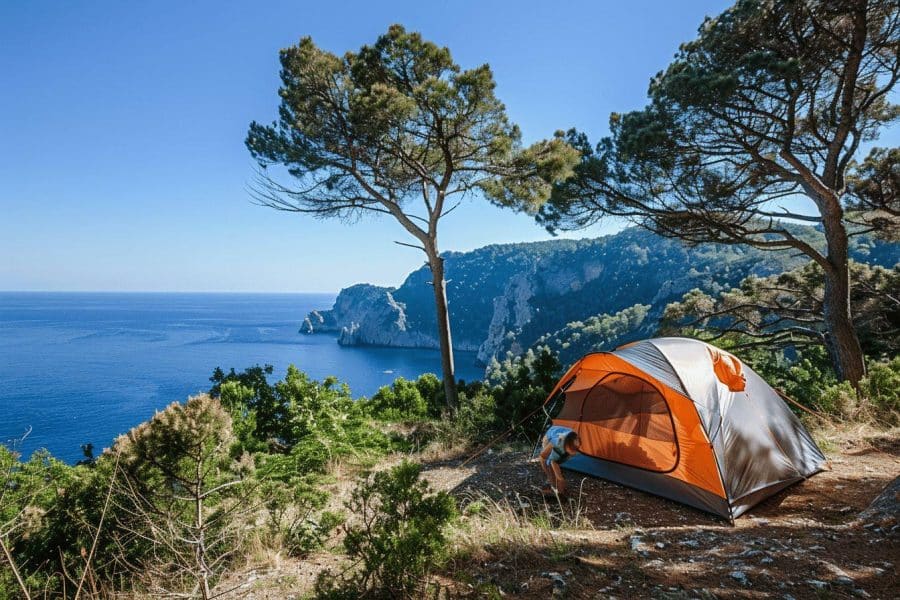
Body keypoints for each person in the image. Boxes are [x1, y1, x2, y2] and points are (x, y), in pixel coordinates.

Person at [538, 425, 581, 496]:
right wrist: (556, 477)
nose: (575, 452)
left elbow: (557, 461)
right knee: (546, 461)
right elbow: (544, 457)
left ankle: (558, 487)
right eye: (572, 449)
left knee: (557, 462)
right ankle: (552, 484)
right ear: (566, 445)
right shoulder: (557, 441)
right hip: (549, 437)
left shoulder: (575, 440)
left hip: (564, 438)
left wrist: (559, 477)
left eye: (576, 449)